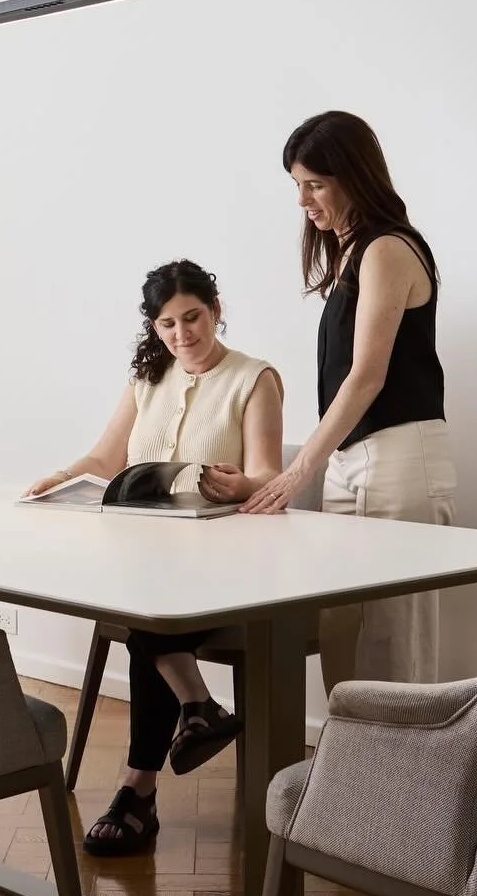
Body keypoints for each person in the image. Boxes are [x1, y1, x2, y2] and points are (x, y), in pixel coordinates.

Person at [26, 260, 284, 856]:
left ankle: (140, 788)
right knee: (142, 589)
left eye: (192, 318)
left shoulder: (254, 378)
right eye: (166, 324)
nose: (181, 334)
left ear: (215, 310)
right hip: (149, 559)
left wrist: (237, 485)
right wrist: (59, 479)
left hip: (226, 561)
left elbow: (269, 476)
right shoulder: (148, 380)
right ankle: (192, 708)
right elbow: (104, 459)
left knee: (146, 597)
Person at [228, 111, 455, 690]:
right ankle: (355, 776)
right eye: (297, 186)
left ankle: (408, 780)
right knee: (341, 636)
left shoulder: (386, 249)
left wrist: (300, 467)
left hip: (400, 455)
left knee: (394, 646)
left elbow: (366, 377)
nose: (303, 200)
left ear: (354, 176)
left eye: (315, 184)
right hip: (355, 457)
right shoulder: (351, 254)